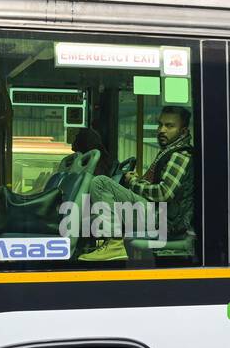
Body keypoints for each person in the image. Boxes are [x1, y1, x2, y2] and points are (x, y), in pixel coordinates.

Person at [80, 107, 194, 260]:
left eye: (169, 126)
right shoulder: (169, 151)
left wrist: (133, 183)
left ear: (183, 131)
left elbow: (164, 193)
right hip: (161, 214)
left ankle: (115, 244)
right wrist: (139, 181)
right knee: (94, 213)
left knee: (100, 183)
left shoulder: (181, 154)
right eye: (160, 125)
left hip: (166, 220)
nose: (162, 130)